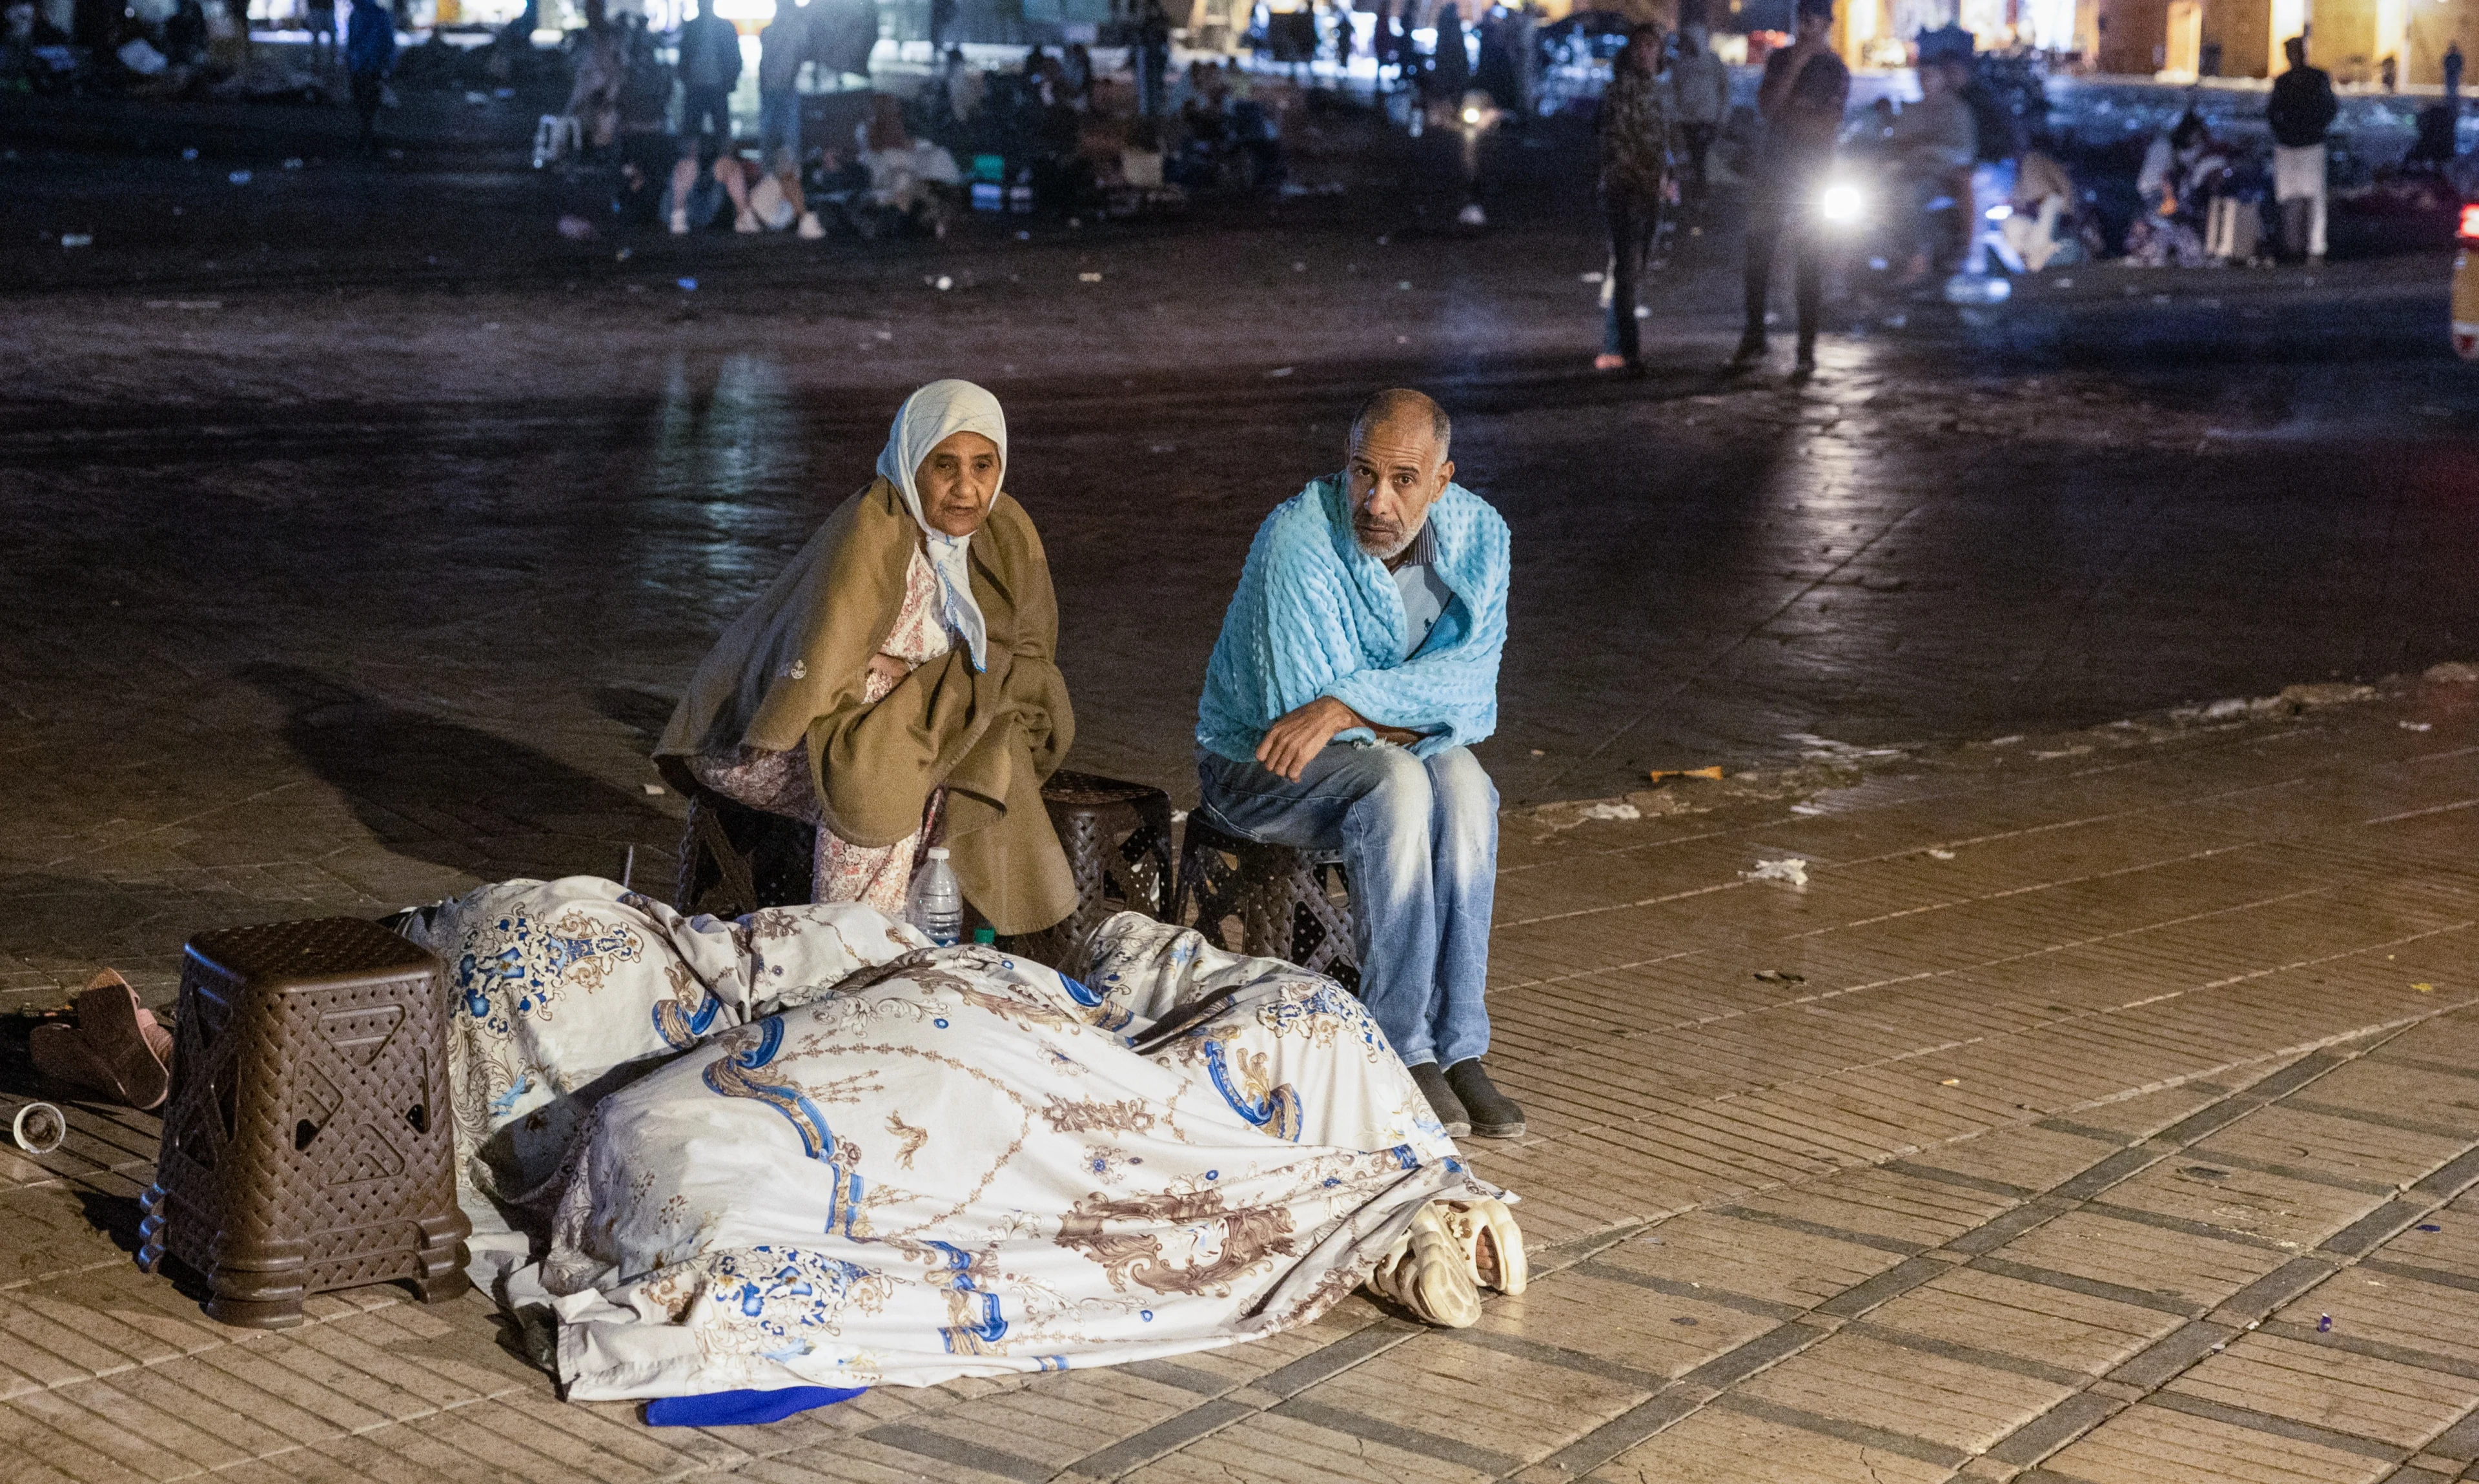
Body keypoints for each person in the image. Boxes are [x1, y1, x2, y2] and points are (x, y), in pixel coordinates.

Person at [1194, 389, 1520, 1142]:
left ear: (1442, 481)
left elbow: (1472, 692)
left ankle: (1461, 1041)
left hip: (1357, 749)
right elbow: (1294, 716)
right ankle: (1402, 1047)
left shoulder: (1481, 539)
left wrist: (1347, 704)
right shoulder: (1297, 541)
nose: (1377, 501)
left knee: (1467, 782)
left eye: (1404, 479)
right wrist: (1371, 711)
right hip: (1253, 767)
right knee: (1402, 781)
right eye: (1361, 474)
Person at [658, 381, 1077, 936]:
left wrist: (920, 679)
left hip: (896, 728)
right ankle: (854, 949)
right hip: (765, 738)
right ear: (910, 464)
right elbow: (825, 666)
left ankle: (939, 941)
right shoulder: (875, 527)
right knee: (889, 760)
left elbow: (1028, 665)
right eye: (944, 465)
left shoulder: (1006, 534)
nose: (966, 488)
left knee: (963, 740)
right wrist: (928, 687)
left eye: (983, 466)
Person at [1739, 0, 1847, 376]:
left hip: (1812, 174)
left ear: (1826, 23)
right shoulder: (1782, 59)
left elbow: (1827, 124)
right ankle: (1754, 335)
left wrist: (1794, 112)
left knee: (1809, 260)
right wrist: (1796, 69)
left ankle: (1806, 347)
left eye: (1813, 18)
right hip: (1775, 168)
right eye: (1802, 17)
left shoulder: (1834, 68)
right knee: (1759, 255)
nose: (1806, 24)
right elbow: (1768, 107)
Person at [1595, 26, 1667, 373]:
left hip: (1649, 189)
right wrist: (1638, 179)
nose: (1646, 53)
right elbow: (1618, 142)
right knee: (1626, 267)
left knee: (1634, 268)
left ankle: (1620, 343)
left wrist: (1666, 177)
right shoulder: (1622, 89)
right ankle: (1628, 348)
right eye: (1641, 47)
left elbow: (1661, 141)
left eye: (1652, 47)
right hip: (1626, 190)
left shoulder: (1657, 90)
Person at [1886, 28, 1976, 284]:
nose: (1925, 81)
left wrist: (1928, 153)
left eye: (1930, 76)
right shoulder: (1912, 110)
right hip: (1909, 171)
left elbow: (1962, 153)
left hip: (1941, 176)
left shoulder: (1957, 110)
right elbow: (1895, 143)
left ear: (1941, 79)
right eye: (1921, 76)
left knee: (1912, 193)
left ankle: (1919, 259)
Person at [756, 0, 828, 238]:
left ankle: (776, 179)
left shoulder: (775, 29)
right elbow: (798, 57)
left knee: (776, 147)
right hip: (783, 92)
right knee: (786, 148)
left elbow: (769, 62)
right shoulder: (794, 27)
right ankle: (782, 183)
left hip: (775, 91)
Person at [2267, 36, 2337, 264]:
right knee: (2290, 198)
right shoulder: (2286, 81)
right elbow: (2272, 112)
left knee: (2311, 198)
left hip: (2307, 144)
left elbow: (2330, 108)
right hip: (2295, 144)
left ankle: (2313, 247)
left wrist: (2314, 127)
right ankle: (2294, 246)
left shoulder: (2314, 79)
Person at [1667, 21, 1727, 228]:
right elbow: (1672, 92)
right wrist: (1674, 116)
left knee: (1703, 164)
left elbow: (1724, 91)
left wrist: (1722, 117)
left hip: (1707, 123)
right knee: (1686, 165)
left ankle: (1702, 206)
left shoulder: (1712, 63)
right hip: (1685, 123)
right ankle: (1687, 205)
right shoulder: (1679, 65)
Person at [564, 0, 628, 152]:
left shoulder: (614, 37)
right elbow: (572, 68)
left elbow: (621, 70)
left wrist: (609, 97)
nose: (591, 13)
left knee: (605, 134)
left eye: (595, 8)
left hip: (607, 101)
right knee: (570, 133)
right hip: (581, 100)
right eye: (589, 8)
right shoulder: (579, 38)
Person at [675, 0, 741, 146]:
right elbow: (683, 58)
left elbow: (735, 59)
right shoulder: (692, 27)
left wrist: (729, 81)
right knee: (692, 134)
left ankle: (724, 166)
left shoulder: (724, 27)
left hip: (716, 87)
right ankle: (691, 167)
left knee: (722, 133)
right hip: (697, 87)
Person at [343, 0, 394, 154]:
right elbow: (388, 42)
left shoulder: (357, 15)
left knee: (364, 106)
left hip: (362, 68)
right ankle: (369, 139)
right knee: (370, 106)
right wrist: (387, 66)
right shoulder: (379, 14)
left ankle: (366, 140)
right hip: (373, 68)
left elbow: (352, 43)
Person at [303, 0, 336, 68]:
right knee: (316, 37)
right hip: (318, 7)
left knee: (331, 35)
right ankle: (317, 59)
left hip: (326, 7)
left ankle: (331, 60)